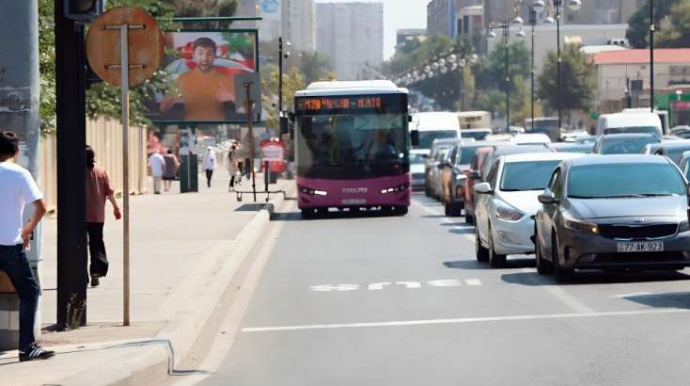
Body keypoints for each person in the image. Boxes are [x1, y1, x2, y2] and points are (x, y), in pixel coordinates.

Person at [0, 131, 54, 361]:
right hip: (9, 245)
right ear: (16, 151)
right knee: (29, 292)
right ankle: (26, 347)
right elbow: (41, 207)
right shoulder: (20, 174)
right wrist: (27, 229)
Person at [160, 37, 237, 122]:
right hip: (190, 126)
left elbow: (249, 110)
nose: (204, 58)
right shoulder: (182, 78)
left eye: (209, 54)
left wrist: (230, 97)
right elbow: (163, 108)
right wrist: (174, 96)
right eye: (200, 53)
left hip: (218, 127)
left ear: (214, 56)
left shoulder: (225, 78)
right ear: (193, 55)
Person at [85, 146, 121, 287]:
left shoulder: (76, 172)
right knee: (96, 243)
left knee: (79, 246)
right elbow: (109, 192)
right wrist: (116, 207)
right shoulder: (101, 171)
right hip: (97, 215)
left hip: (79, 217)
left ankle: (81, 275)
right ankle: (96, 272)